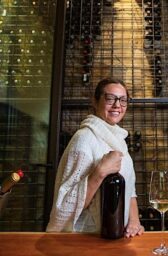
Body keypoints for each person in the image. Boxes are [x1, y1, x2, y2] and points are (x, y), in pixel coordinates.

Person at [47, 78, 144, 238]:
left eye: (123, 100)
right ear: (95, 101)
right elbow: (63, 209)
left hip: (118, 236)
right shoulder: (84, 139)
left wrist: (134, 221)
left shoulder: (119, 141)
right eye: (110, 98)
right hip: (86, 240)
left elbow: (130, 190)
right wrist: (100, 172)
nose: (117, 105)